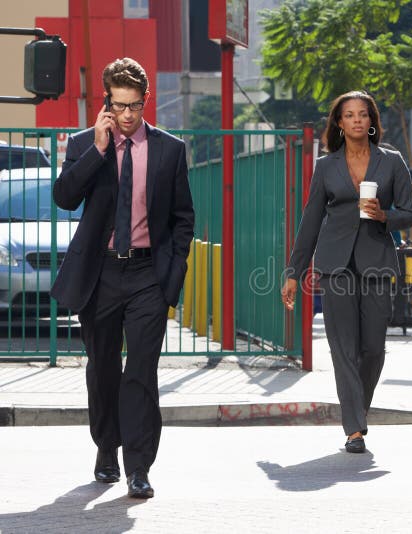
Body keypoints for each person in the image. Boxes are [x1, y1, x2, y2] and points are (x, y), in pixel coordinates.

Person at [52, 57, 195, 498]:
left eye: (135, 106)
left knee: (141, 370)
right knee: (104, 370)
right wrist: (97, 149)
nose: (129, 115)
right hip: (100, 274)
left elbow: (182, 217)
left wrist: (172, 273)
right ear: (107, 103)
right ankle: (105, 450)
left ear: (145, 101)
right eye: (120, 106)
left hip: (148, 274)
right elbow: (64, 198)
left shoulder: (170, 149)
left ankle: (139, 466)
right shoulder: (83, 144)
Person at [281, 91, 412, 453]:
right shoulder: (327, 166)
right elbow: (311, 219)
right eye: (349, 115)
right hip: (335, 264)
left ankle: (359, 411)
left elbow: (410, 212)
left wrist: (385, 216)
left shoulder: (392, 162)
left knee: (373, 349)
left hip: (376, 261)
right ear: (339, 123)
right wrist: (294, 271)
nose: (357, 120)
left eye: (363, 114)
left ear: (371, 121)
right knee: (343, 348)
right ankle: (354, 428)